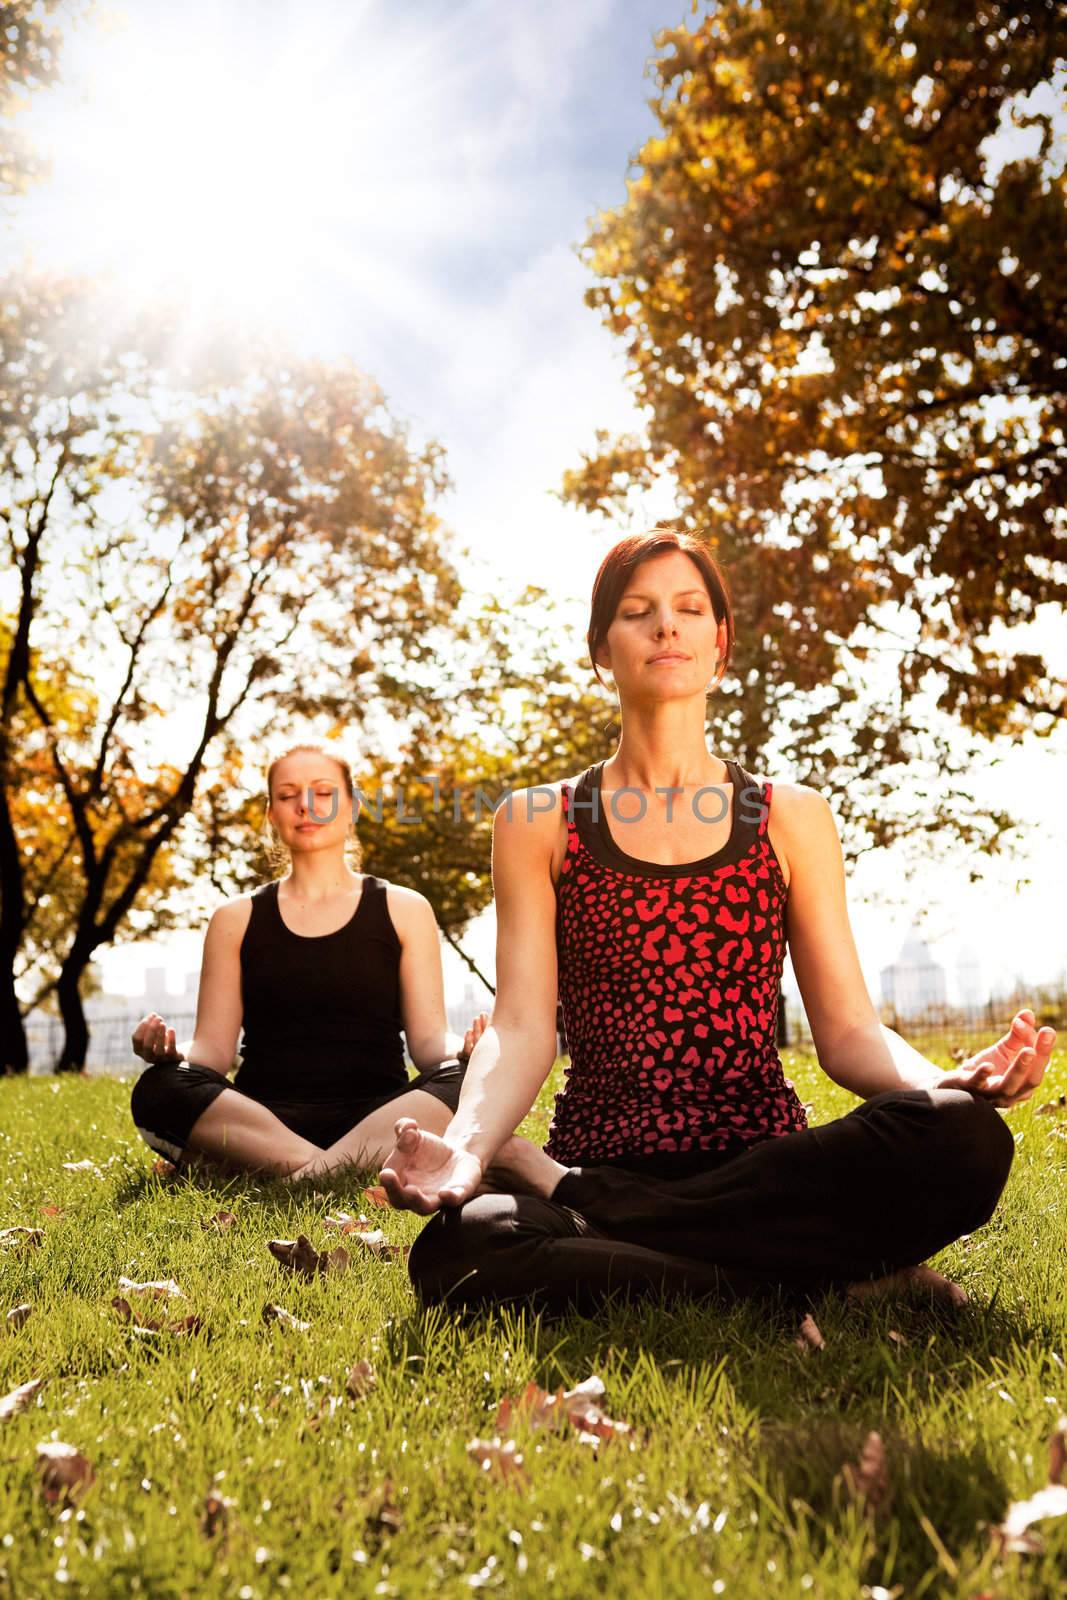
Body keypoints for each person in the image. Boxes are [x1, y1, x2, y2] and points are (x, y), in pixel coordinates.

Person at [378, 529, 1058, 1316]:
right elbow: (523, 1026)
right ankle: (811, 1282)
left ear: (719, 643)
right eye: (638, 612)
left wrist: (943, 1081)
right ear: (601, 648)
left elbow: (847, 1033)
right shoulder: (538, 821)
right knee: (462, 1252)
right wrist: (468, 1147)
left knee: (963, 1135)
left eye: (688, 609)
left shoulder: (789, 815)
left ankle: (619, 1228)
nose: (666, 626)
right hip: (605, 1154)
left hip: (762, 1164)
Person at [129, 742, 488, 1179]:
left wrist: (470, 1051)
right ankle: (344, 1170)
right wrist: (167, 1051)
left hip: (378, 1118)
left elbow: (431, 1044)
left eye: (322, 792)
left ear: (352, 806)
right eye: (287, 795)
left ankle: (297, 1175)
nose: (305, 806)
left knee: (470, 1078)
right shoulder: (234, 918)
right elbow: (212, 1052)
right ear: (271, 813)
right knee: (159, 1088)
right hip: (266, 1120)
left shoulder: (405, 908)